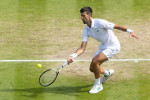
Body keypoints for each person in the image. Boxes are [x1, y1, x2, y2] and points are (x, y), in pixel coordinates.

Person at [67, 7, 139, 94]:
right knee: (92, 69)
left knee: (95, 61)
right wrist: (72, 56)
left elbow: (116, 26)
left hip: (113, 46)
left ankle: (98, 85)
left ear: (89, 15)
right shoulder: (86, 30)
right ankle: (107, 73)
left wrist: (129, 31)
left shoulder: (100, 22)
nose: (81, 18)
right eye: (81, 16)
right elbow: (82, 47)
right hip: (103, 46)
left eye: (83, 16)